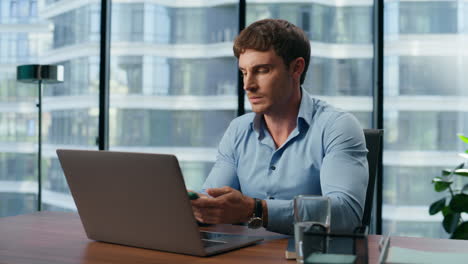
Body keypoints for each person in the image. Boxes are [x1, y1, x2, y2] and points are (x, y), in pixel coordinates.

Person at [190, 19, 368, 235]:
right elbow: (213, 199)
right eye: (244, 72)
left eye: (262, 70)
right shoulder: (238, 129)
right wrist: (199, 205)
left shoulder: (337, 127)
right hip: (250, 255)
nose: (248, 85)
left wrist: (256, 210)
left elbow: (345, 213)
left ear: (296, 68)